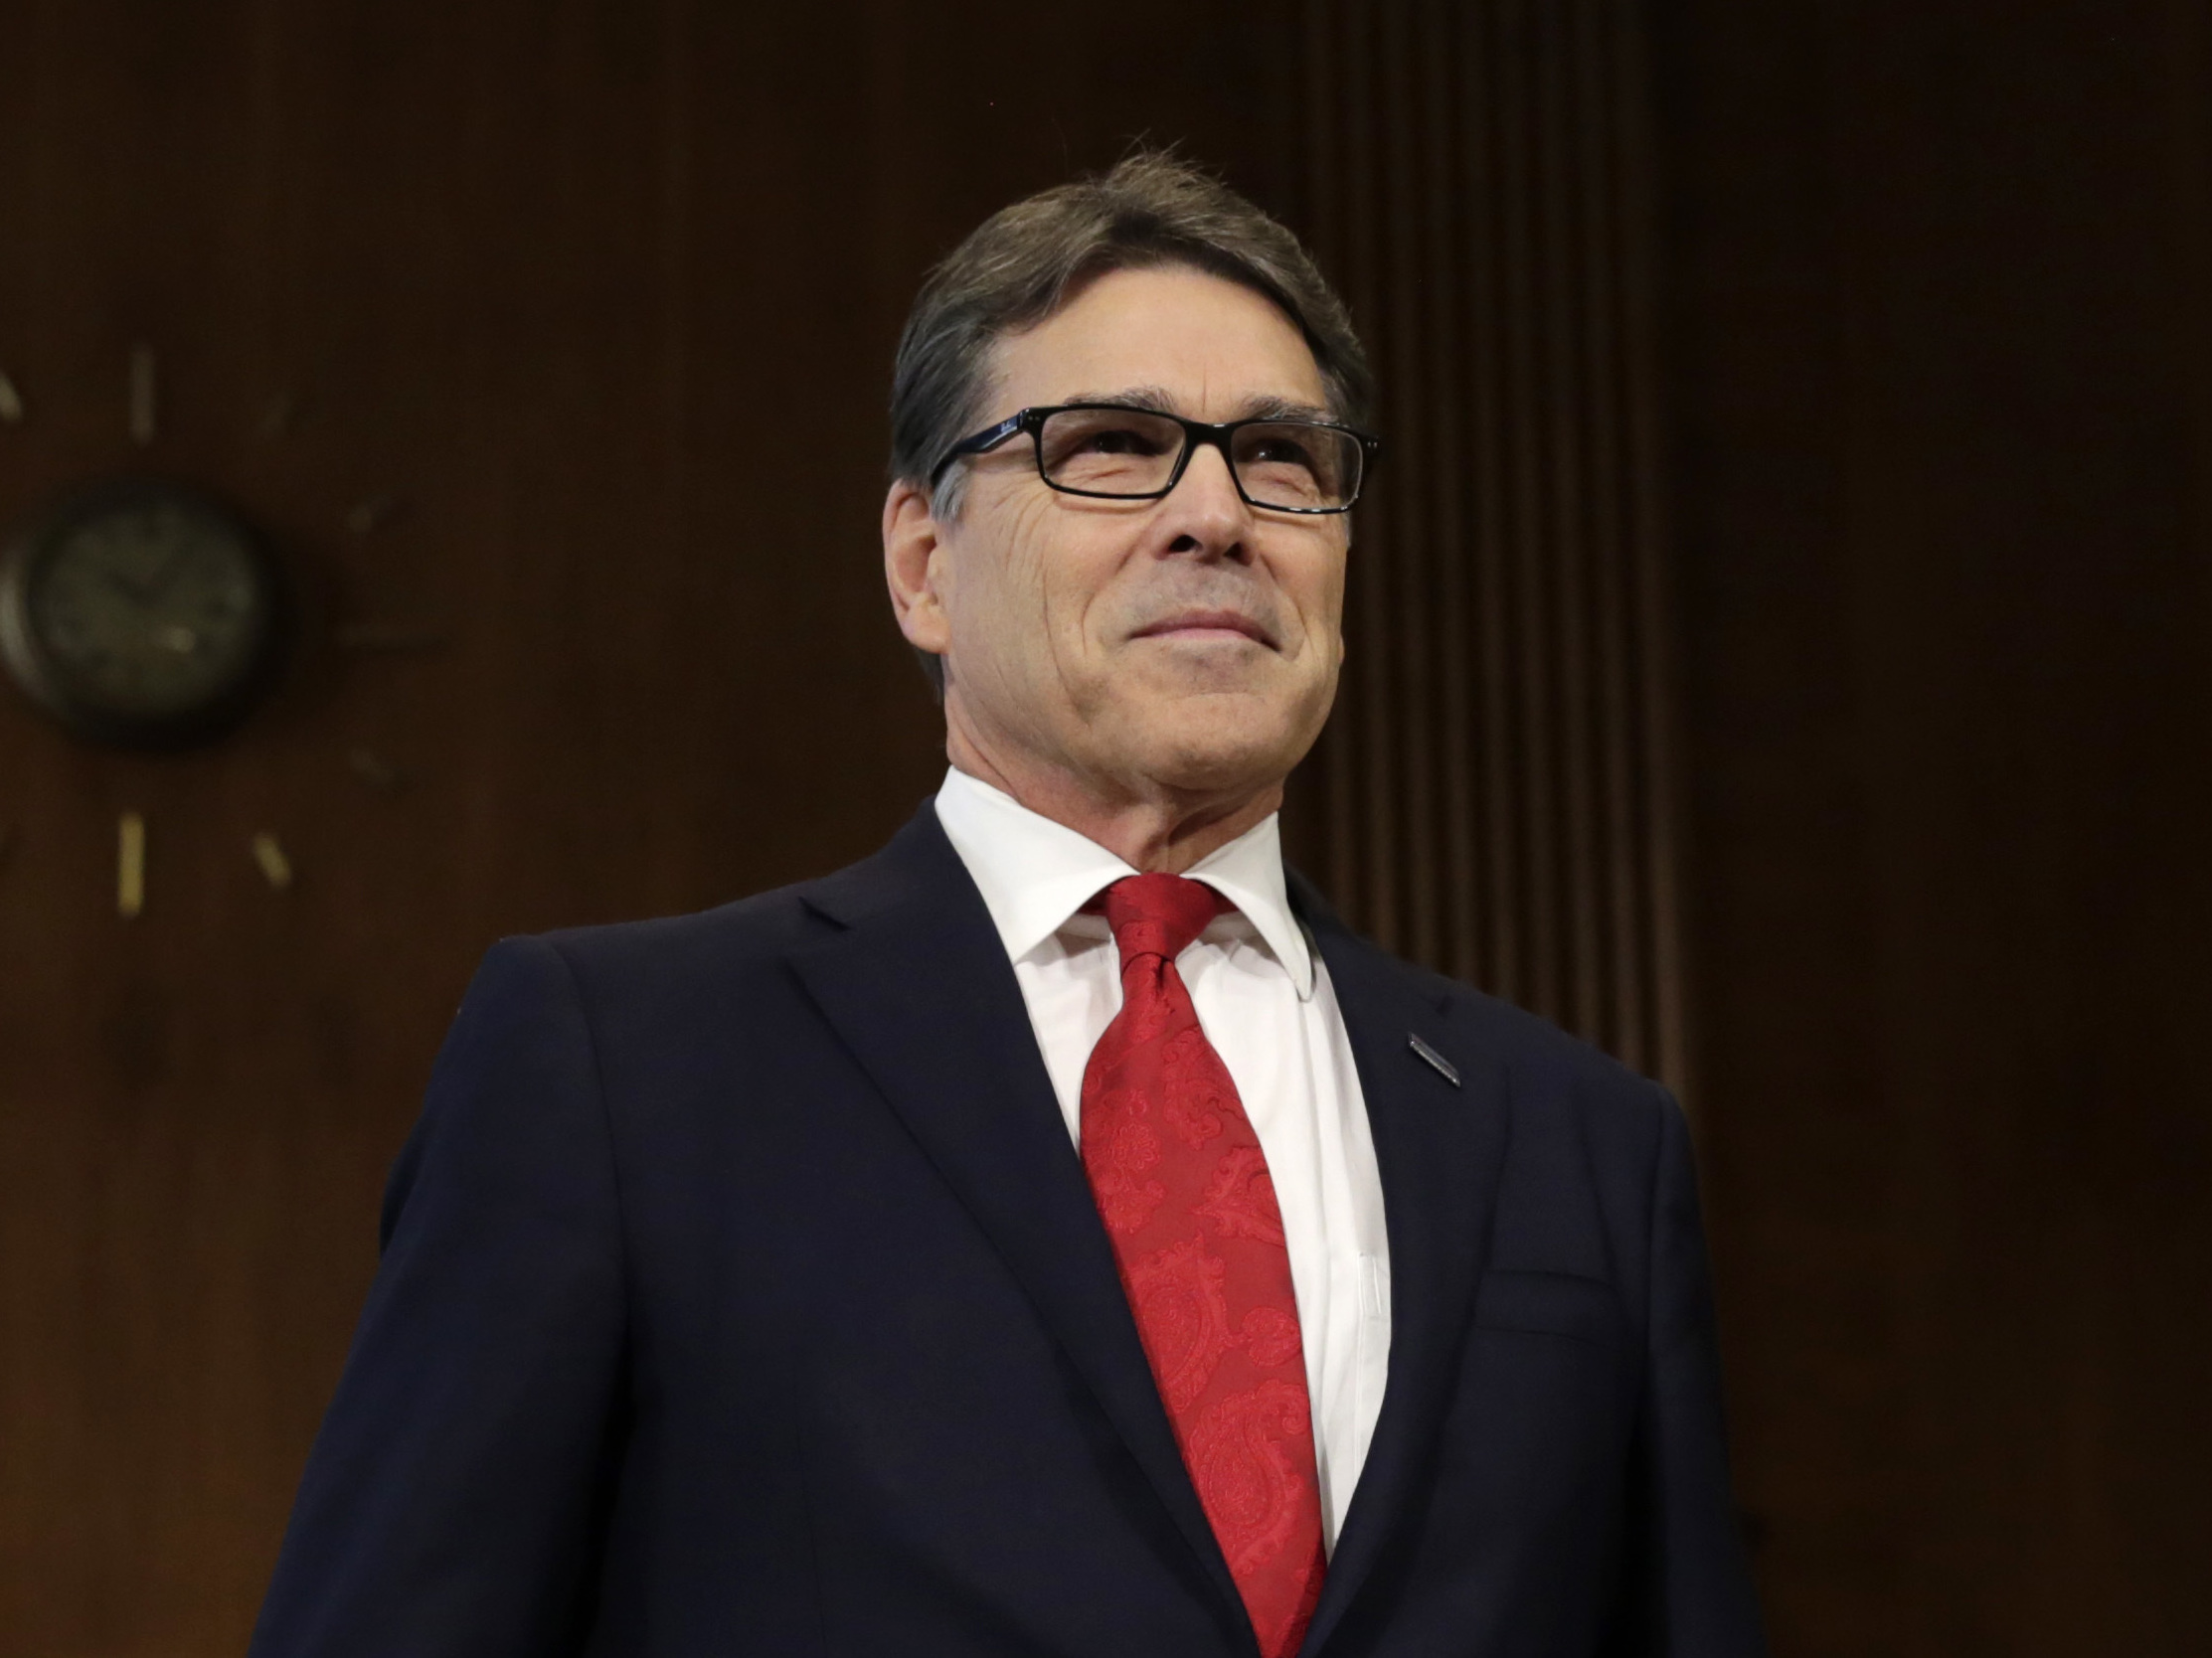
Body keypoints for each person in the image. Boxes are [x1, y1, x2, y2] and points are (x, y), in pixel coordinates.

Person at [250, 153, 1765, 1658]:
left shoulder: (1581, 1141)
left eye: (1281, 459)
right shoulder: (620, 1066)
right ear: (922, 564)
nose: (1215, 515)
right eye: (1110, 444)